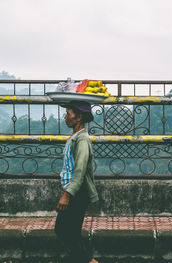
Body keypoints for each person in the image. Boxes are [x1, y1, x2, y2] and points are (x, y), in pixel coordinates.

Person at [54, 101, 99, 263]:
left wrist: (67, 194)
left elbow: (79, 171)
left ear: (79, 117)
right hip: (74, 191)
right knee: (66, 231)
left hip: (78, 192)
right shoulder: (75, 137)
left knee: (66, 231)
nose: (66, 117)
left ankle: (90, 262)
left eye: (69, 114)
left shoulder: (82, 140)